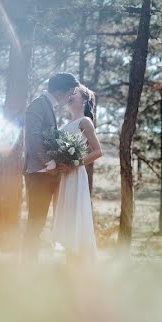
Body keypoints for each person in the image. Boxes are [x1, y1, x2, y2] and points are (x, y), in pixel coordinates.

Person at [23, 73, 78, 260]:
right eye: (70, 92)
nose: (71, 96)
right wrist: (49, 162)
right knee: (36, 221)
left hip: (47, 173)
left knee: (41, 221)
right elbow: (33, 138)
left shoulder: (47, 106)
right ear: (59, 91)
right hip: (39, 173)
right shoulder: (37, 105)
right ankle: (28, 265)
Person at [52, 84, 102, 258]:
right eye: (71, 92)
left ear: (84, 101)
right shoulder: (67, 124)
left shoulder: (85, 122)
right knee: (65, 216)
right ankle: (69, 261)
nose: (71, 95)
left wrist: (74, 164)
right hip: (63, 175)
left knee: (74, 215)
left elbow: (97, 151)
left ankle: (79, 260)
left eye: (76, 93)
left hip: (74, 174)